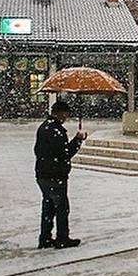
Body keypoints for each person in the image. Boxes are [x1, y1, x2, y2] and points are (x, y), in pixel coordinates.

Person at [34, 101, 87, 249]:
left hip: (43, 174)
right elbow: (64, 154)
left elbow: (38, 150)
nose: (66, 117)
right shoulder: (55, 130)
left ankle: (45, 237)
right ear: (61, 113)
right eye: (65, 114)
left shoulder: (44, 127)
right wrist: (77, 140)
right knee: (62, 208)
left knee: (48, 206)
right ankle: (62, 237)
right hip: (55, 175)